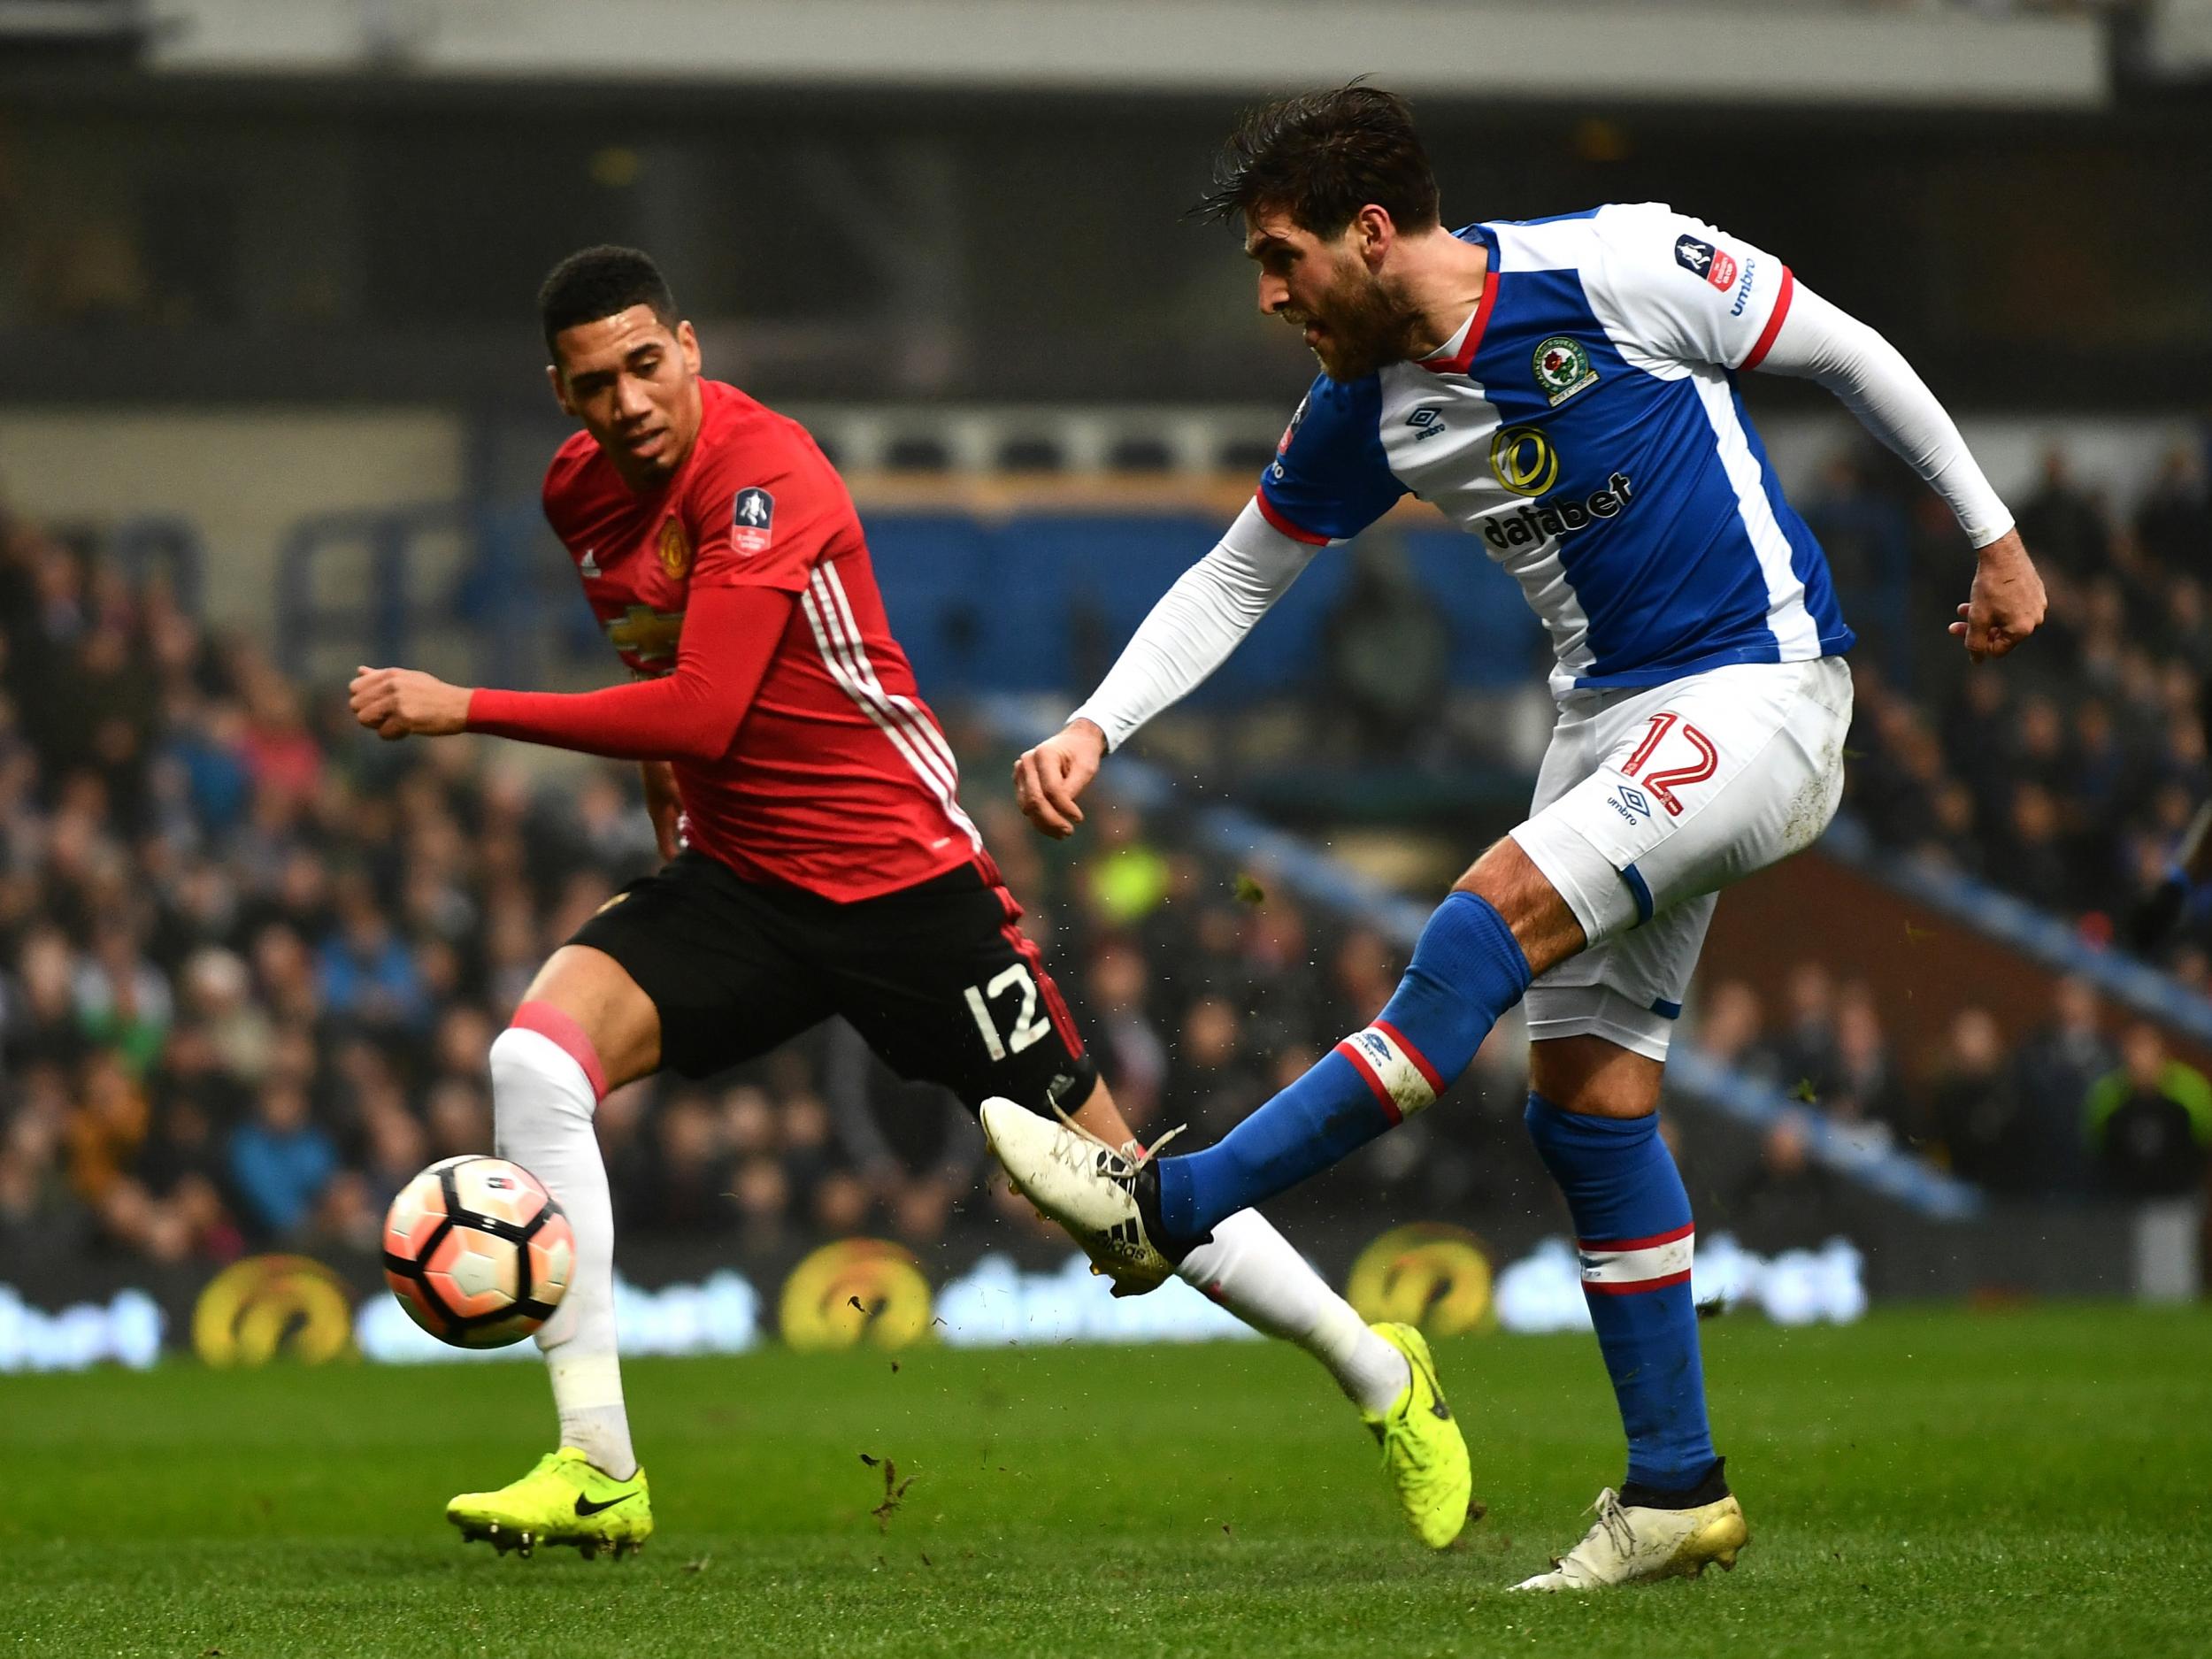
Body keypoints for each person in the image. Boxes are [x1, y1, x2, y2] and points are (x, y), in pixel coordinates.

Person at [986, 84, 2046, 1591]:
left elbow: (1843, 349)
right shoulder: (1366, 402)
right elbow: (1240, 574)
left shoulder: (1617, 266)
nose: (1273, 296)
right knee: (1588, 1109)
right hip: (1607, 723)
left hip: (1759, 691)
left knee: (1474, 926)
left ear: (1370, 232)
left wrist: (1995, 537)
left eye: (1283, 259)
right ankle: (1676, 1492)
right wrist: (1101, 722)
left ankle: (1173, 1202)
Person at [347, 246, 1468, 1561]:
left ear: (690, 348)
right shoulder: (579, 493)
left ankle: (1382, 1373)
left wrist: (461, 705)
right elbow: (660, 671)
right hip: (742, 883)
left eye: (648, 364)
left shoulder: (768, 477)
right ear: (563, 393)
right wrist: (670, 813)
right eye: (596, 383)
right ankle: (598, 1464)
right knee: (532, 1058)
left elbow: (706, 698)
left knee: (1125, 1209)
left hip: (906, 887)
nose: (629, 401)